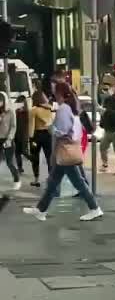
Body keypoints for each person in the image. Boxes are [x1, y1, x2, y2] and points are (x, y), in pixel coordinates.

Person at [22, 82, 103, 222]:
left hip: (66, 150)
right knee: (54, 181)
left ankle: (95, 208)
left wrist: (51, 128)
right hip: (68, 150)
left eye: (55, 92)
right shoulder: (72, 107)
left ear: (60, 94)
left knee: (78, 183)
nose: (53, 94)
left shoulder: (64, 109)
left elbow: (63, 131)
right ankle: (41, 210)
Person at [28, 89, 55, 187]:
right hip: (48, 135)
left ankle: (36, 179)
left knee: (35, 157)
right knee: (49, 157)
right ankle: (51, 178)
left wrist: (30, 138)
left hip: (36, 136)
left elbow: (31, 126)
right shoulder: (50, 108)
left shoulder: (33, 110)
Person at [98, 80, 115, 173]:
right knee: (102, 147)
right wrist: (102, 122)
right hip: (107, 129)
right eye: (103, 89)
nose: (104, 91)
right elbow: (104, 113)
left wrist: (106, 111)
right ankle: (105, 164)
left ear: (111, 89)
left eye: (106, 89)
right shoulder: (106, 100)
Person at [0, 92, 20, 190]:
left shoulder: (10, 111)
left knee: (9, 162)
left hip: (7, 139)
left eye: (0, 101)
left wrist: (9, 139)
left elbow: (13, 126)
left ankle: (16, 179)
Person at [14, 95, 28, 175]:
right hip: (17, 135)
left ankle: (33, 159)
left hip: (22, 135)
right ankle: (20, 168)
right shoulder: (16, 111)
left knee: (23, 151)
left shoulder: (26, 112)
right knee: (18, 152)